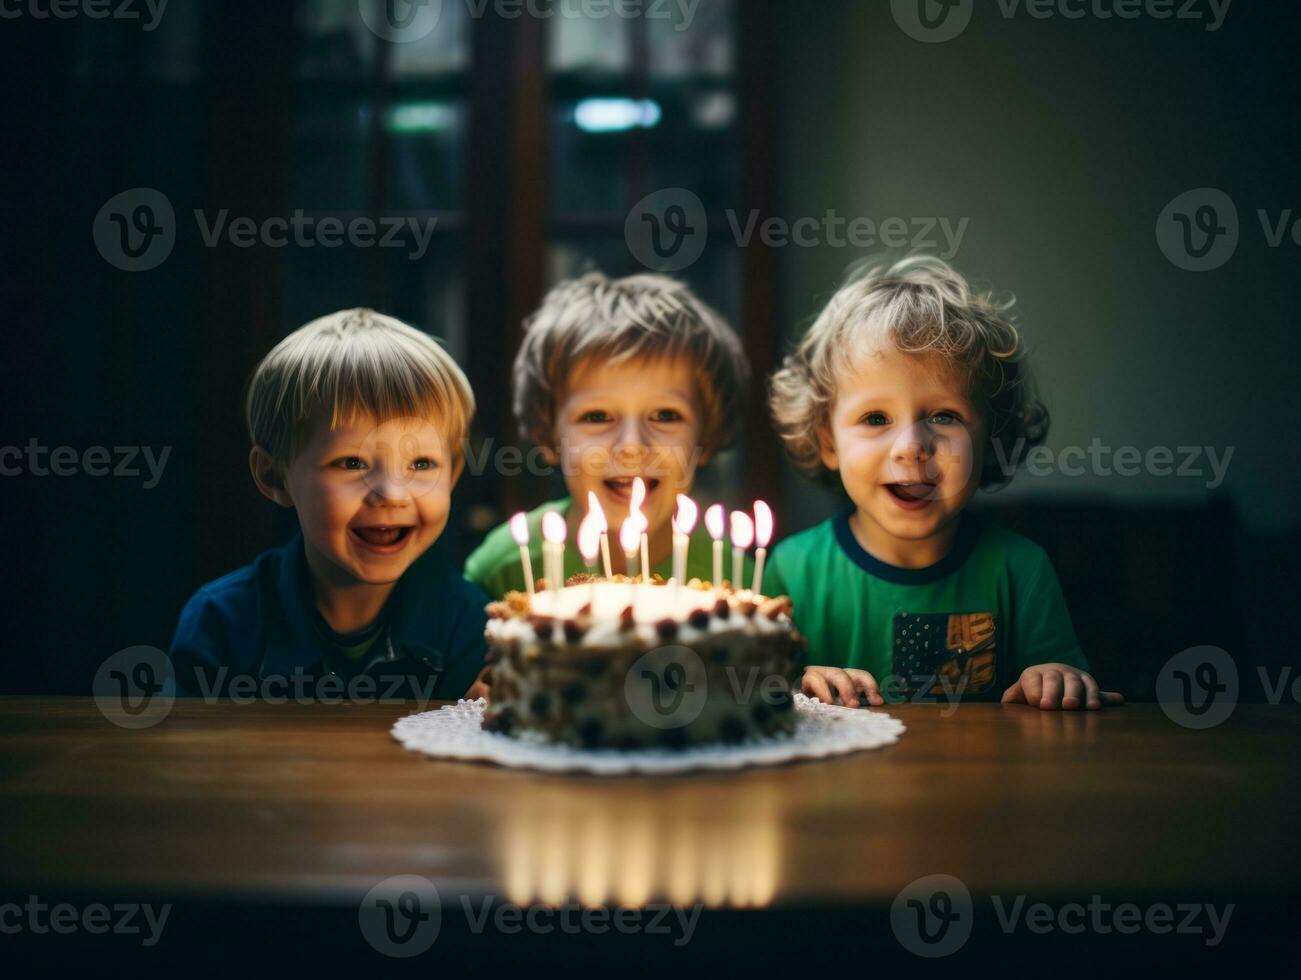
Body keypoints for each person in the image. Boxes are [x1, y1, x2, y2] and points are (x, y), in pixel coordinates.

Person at [766, 256, 1122, 711]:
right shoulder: (792, 571)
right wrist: (800, 682)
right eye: (876, 418)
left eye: (943, 416)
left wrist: (1055, 678)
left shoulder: (1021, 569)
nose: (912, 446)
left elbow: (1068, 696)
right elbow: (759, 699)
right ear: (828, 442)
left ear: (990, 439)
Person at [169, 309, 488, 702]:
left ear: (453, 475)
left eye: (422, 464)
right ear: (274, 477)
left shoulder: (473, 626)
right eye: (352, 463)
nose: (392, 493)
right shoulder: (220, 623)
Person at [465, 272, 752, 597]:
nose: (631, 445)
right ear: (547, 436)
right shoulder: (504, 568)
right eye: (597, 417)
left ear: (707, 436)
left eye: (665, 416)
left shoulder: (734, 576)